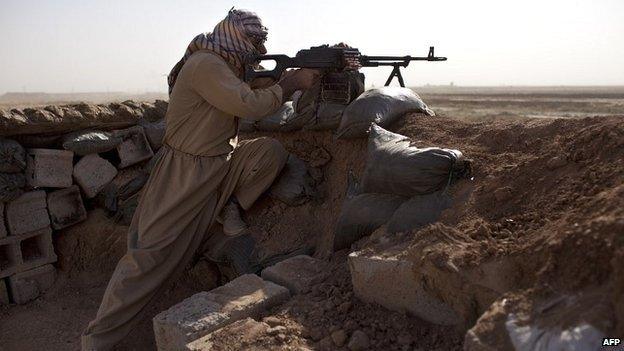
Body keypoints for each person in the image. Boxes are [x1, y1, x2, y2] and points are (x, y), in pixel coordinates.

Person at [81, 8, 319, 350]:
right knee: (148, 257)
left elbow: (253, 86)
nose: (261, 50)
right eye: (254, 41)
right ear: (235, 37)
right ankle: (98, 340)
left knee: (268, 153)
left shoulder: (228, 64)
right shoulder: (207, 64)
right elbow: (248, 104)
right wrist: (290, 82)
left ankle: (229, 208)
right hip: (184, 173)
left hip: (219, 164)